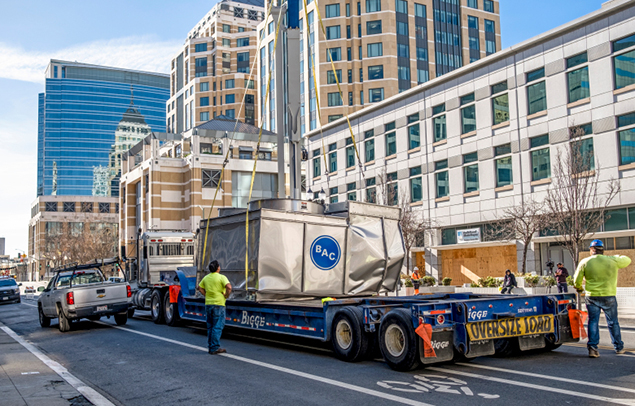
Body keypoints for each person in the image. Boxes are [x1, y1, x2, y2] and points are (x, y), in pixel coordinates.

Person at [574, 239, 631, 358]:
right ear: (602, 250)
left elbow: (576, 281)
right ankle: (618, 347)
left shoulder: (585, 261)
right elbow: (627, 260)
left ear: (591, 250)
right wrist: (615, 256)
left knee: (593, 321)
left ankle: (593, 348)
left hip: (592, 296)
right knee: (613, 322)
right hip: (609, 295)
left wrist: (579, 289)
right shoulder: (612, 260)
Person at [198, 260, 232, 355]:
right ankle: (214, 347)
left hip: (208, 304)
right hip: (219, 304)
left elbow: (200, 287)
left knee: (210, 326)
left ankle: (211, 346)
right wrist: (226, 296)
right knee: (218, 326)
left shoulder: (206, 278)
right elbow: (229, 287)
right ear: (218, 268)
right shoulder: (221, 277)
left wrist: (206, 295)